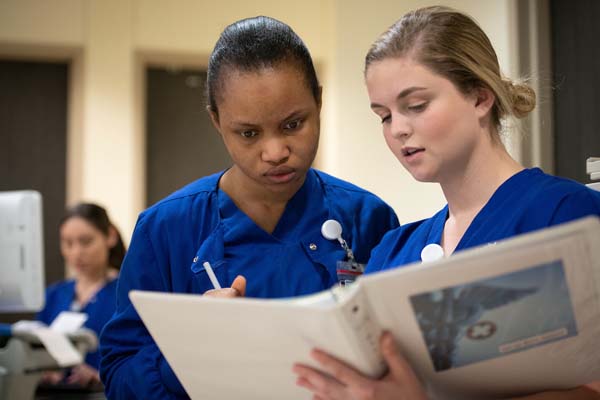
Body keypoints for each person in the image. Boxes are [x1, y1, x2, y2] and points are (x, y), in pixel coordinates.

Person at [292, 6, 600, 400]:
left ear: (479, 97)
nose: (398, 129)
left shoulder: (562, 216)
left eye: (416, 106)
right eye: (384, 116)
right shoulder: (393, 252)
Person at [99, 16, 399, 399]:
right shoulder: (165, 230)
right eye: (249, 133)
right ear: (216, 121)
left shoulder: (368, 219)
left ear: (318, 102)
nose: (275, 152)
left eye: (293, 124)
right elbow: (119, 376)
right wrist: (190, 351)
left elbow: (399, 359)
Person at [37, 202, 125, 388]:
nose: (76, 253)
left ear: (110, 236)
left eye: (86, 242)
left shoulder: (126, 294)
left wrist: (100, 376)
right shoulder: (53, 295)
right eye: (68, 243)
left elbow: (141, 359)